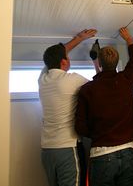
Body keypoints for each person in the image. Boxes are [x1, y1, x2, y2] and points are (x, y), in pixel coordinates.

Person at [75, 27, 133, 186]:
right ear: (118, 62)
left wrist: (98, 133)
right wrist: (129, 40)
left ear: (99, 63)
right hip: (129, 153)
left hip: (102, 155)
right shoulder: (126, 80)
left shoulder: (87, 90)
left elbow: (80, 127)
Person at [38, 28, 97, 186]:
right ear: (64, 62)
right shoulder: (72, 80)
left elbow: (55, 56)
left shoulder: (43, 79)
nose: (69, 60)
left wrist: (79, 38)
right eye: (68, 58)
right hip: (67, 149)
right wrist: (96, 63)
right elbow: (99, 87)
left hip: (47, 151)